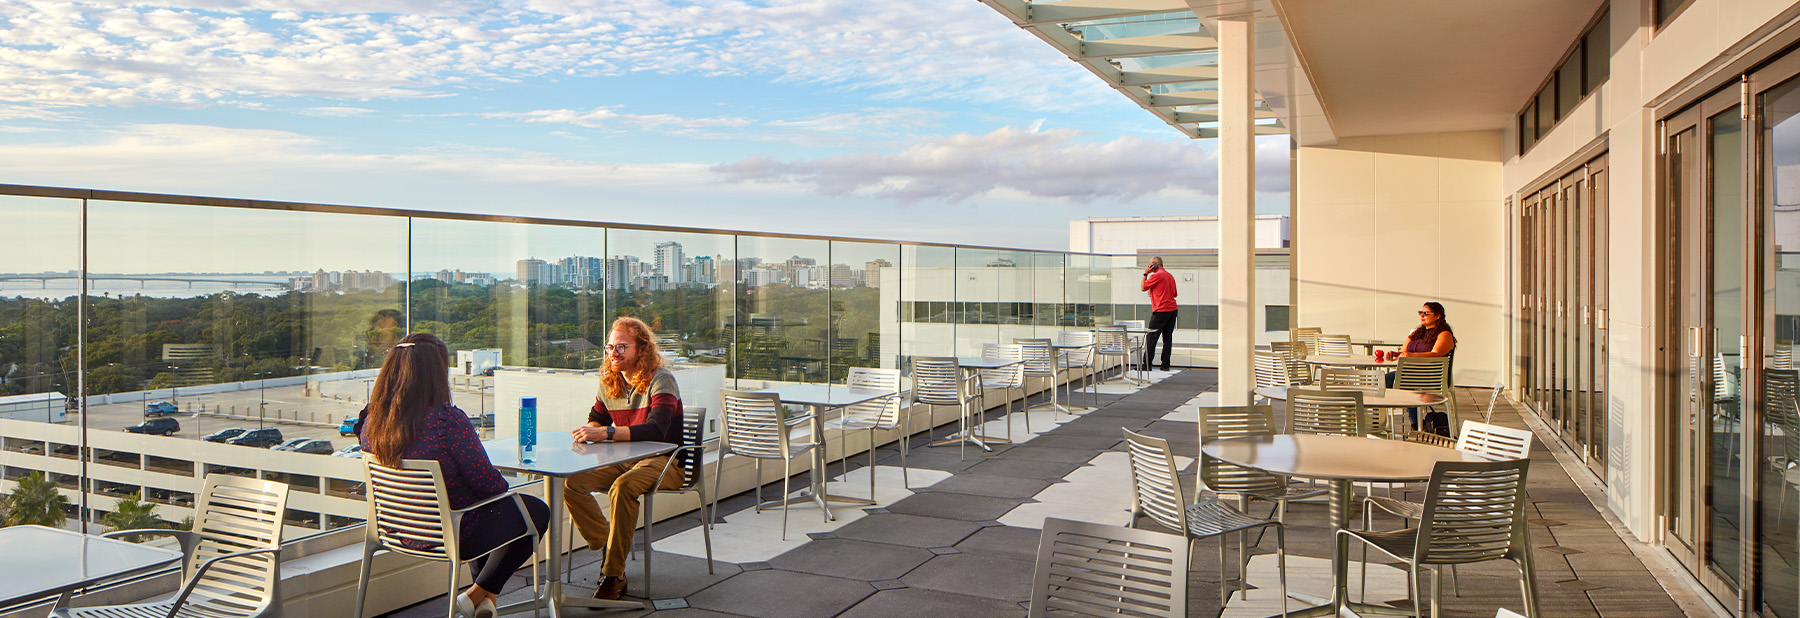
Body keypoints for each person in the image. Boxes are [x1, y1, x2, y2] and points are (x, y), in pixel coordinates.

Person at [356, 333, 548, 618]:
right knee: (534, 511)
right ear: (436, 373)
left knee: (474, 508)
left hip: (396, 530)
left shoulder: (373, 423)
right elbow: (491, 486)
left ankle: (483, 601)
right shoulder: (447, 421)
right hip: (450, 535)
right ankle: (472, 596)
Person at [564, 316, 686, 601]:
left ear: (641, 350)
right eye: (609, 348)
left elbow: (656, 429)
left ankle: (613, 573)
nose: (613, 354)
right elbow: (596, 419)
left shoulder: (661, 379)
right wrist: (590, 431)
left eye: (621, 347)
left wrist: (605, 433)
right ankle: (610, 544)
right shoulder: (609, 383)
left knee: (622, 487)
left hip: (666, 460)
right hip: (626, 460)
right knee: (572, 483)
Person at [1395, 301, 1457, 434]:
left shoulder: (1444, 334)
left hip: (1432, 377)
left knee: (1399, 383)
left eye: (1426, 313)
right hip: (1412, 374)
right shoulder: (1418, 332)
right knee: (1380, 381)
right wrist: (1394, 354)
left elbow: (1436, 354)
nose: (1422, 316)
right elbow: (1403, 351)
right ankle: (1379, 423)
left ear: (1438, 316)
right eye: (1420, 313)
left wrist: (1410, 355)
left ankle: (1416, 426)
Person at [1140, 256, 1178, 372]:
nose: (1148, 267)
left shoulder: (1156, 275)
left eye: (1150, 264)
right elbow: (1174, 294)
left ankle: (1147, 364)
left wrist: (1145, 274)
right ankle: (1165, 365)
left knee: (1151, 338)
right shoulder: (1169, 276)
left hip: (1161, 311)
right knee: (1167, 338)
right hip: (1172, 310)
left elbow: (1143, 287)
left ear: (1155, 264)